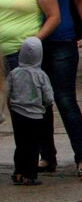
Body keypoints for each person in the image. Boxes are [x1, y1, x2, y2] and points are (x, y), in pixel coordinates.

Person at [29, 0, 82, 176]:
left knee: (65, 99)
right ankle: (47, 155)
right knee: (41, 101)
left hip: (63, 40)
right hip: (33, 43)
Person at [8, 37, 53, 185]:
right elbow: (48, 96)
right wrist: (44, 105)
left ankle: (19, 172)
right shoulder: (41, 75)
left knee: (21, 144)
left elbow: (7, 91)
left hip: (17, 113)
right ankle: (29, 175)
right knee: (33, 146)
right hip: (35, 115)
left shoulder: (14, 73)